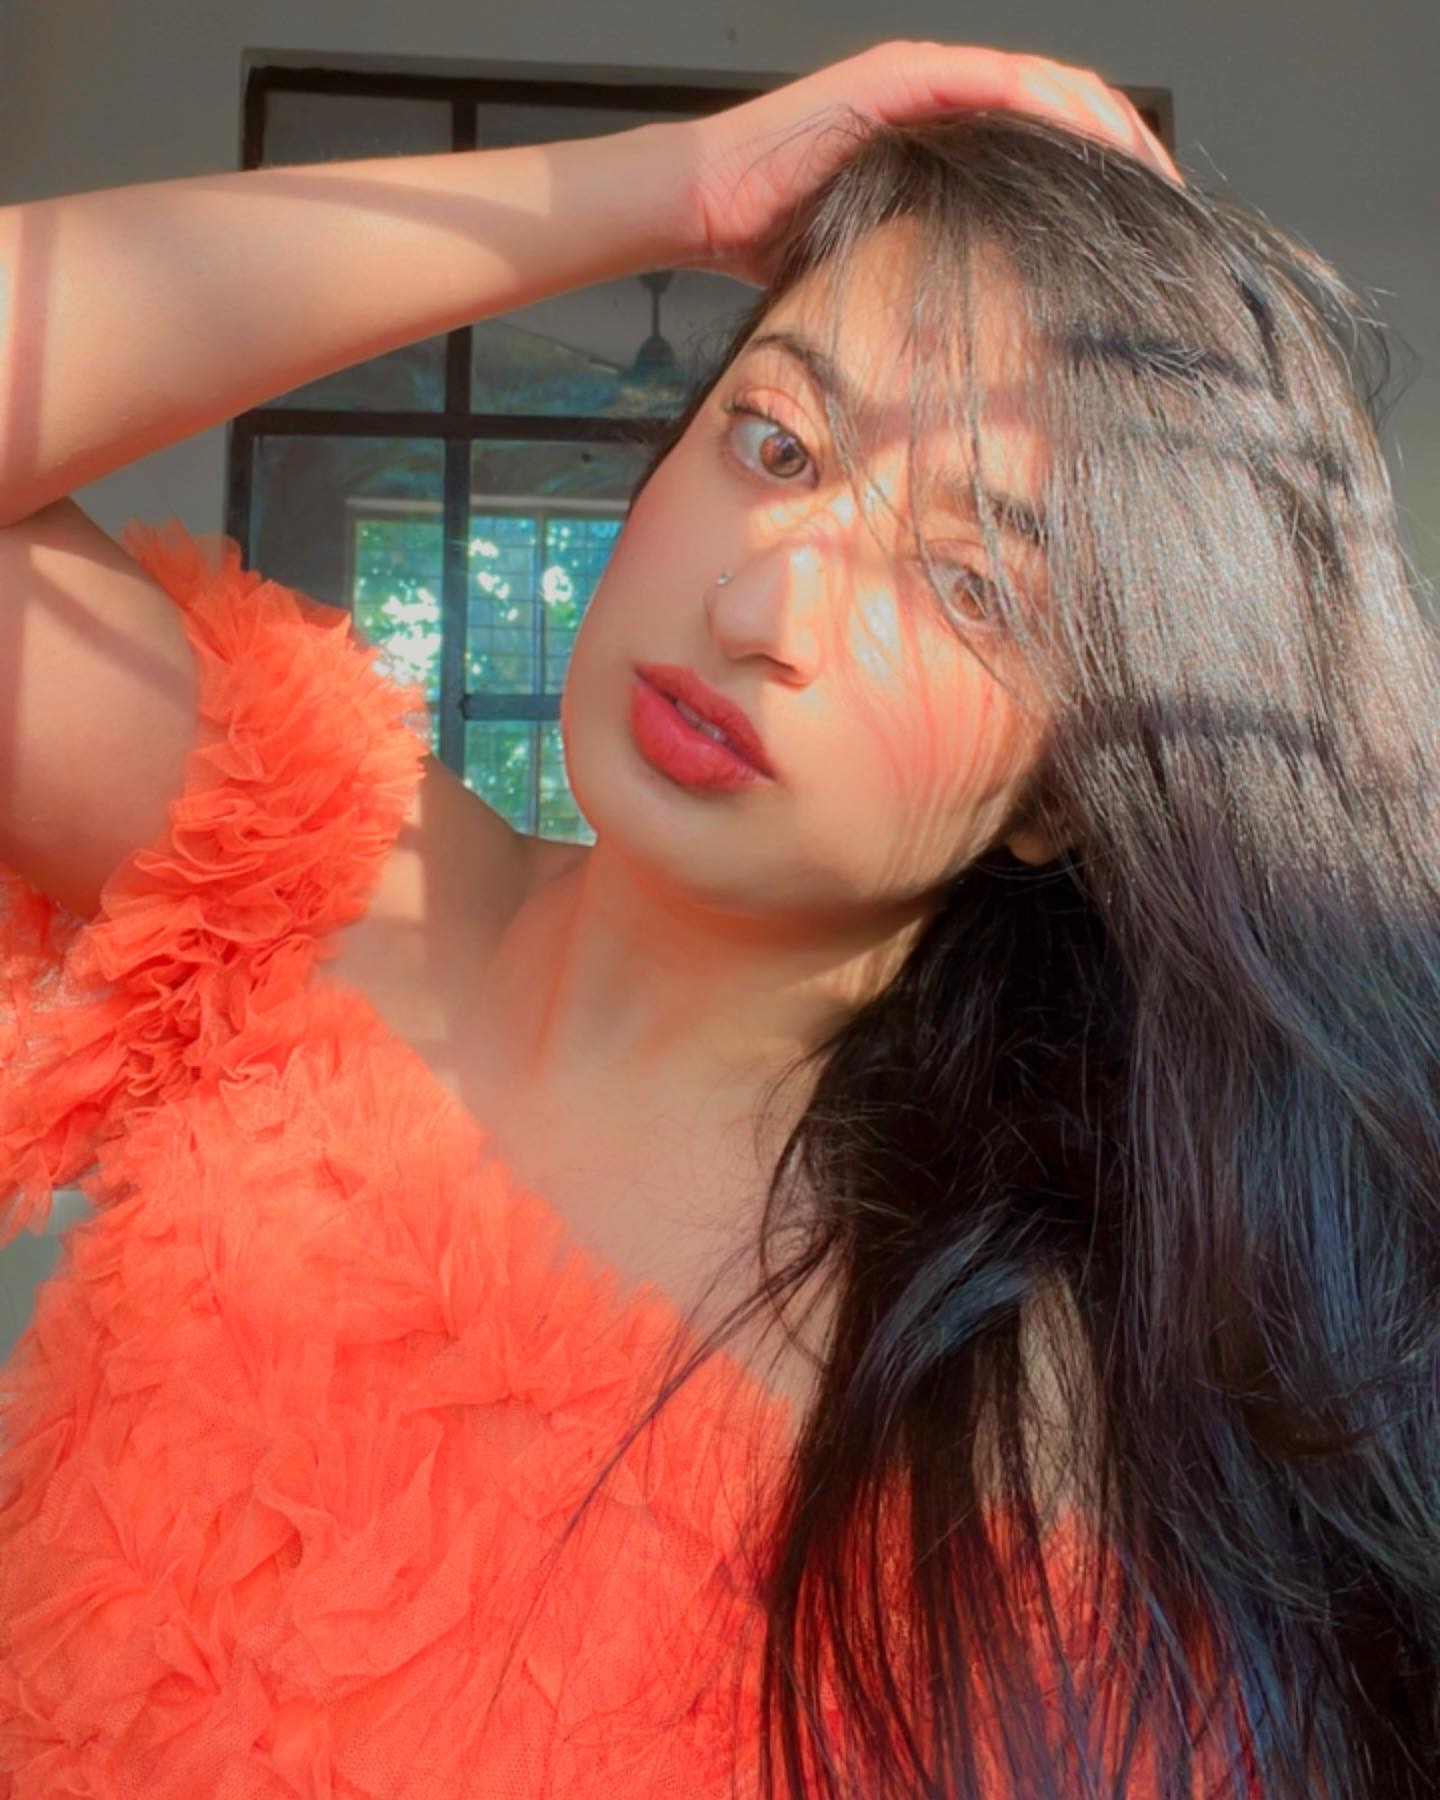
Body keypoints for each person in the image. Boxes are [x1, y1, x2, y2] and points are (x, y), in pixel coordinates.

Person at [0, 33, 1434, 1799]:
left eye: (970, 583)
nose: (765, 600)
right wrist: (673, 186)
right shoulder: (295, 869)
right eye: (776, 440)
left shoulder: (1018, 1433)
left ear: (1063, 793)